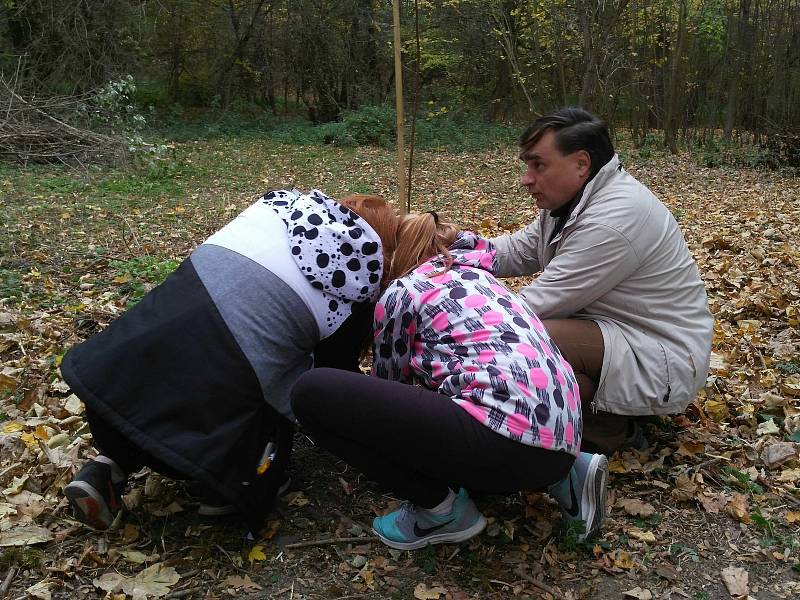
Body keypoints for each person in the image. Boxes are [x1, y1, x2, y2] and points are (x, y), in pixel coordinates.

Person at [61, 189, 398, 534]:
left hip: (112, 386)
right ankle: (224, 486)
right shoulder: (357, 280)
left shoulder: (272, 220)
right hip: (201, 429)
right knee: (281, 382)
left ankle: (107, 467)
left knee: (175, 366)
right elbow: (330, 380)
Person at [290, 212, 609, 550]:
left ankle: (439, 511)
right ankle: (569, 476)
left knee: (311, 392)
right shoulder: (483, 281)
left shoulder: (405, 291)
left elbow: (388, 386)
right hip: (564, 438)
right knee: (472, 403)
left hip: (505, 444)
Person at [489, 107, 714, 454]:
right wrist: (461, 250)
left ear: (581, 164)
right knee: (545, 373)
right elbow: (521, 249)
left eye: (538, 165)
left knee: (525, 338)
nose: (526, 179)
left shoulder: (614, 219)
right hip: (624, 334)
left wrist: (457, 310)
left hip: (664, 358)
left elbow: (532, 306)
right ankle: (597, 417)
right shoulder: (575, 202)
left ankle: (610, 429)